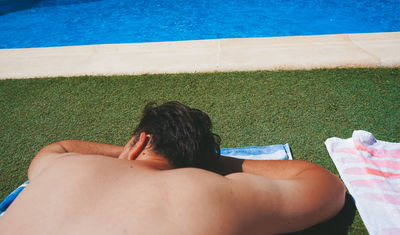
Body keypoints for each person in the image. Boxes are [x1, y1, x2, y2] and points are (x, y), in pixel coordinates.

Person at [0, 101, 346, 234]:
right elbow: (328, 187)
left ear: (137, 143)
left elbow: (58, 146)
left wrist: (130, 153)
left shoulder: (60, 168)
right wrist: (215, 164)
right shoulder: (214, 191)